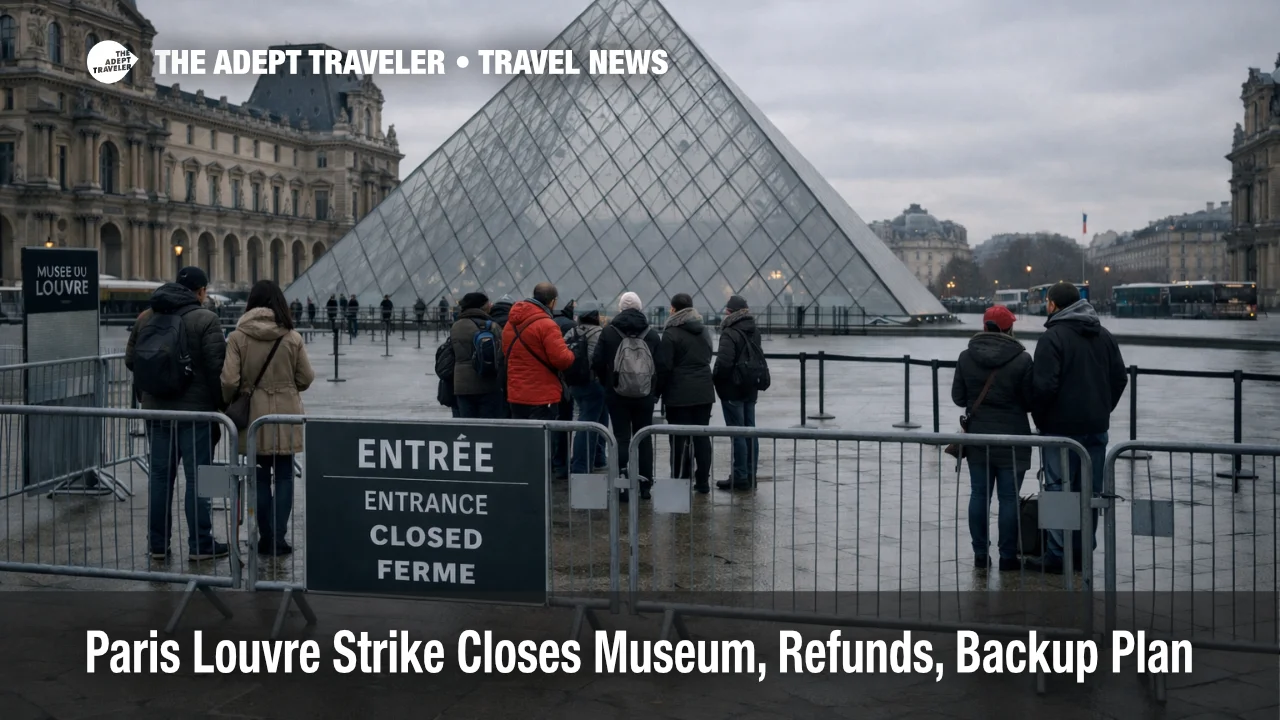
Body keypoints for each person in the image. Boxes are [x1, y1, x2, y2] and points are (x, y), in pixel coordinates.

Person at [124, 266, 228, 561]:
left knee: (159, 478)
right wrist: (222, 406)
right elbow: (216, 369)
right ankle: (201, 544)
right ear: (200, 291)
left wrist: (158, 386)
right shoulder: (206, 319)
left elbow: (132, 360)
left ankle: (157, 545)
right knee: (199, 479)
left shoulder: (146, 318)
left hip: (157, 411)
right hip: (196, 415)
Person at [1027, 282, 1128, 574]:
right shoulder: (1104, 335)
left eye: (1047, 302)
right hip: (1095, 427)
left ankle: (1059, 554)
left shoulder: (1052, 337)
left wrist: (1041, 419)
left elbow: (1044, 387)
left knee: (1059, 490)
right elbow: (1119, 378)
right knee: (1091, 491)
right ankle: (1084, 548)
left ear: (1054, 305)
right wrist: (1102, 409)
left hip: (1059, 428)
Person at [220, 280, 315, 556]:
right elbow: (306, 378)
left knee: (259, 478)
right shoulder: (292, 336)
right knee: (285, 475)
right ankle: (279, 537)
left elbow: (228, 380)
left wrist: (235, 398)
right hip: (286, 415)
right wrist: (288, 389)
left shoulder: (238, 336)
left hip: (253, 416)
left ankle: (265, 536)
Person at [951, 306, 1034, 572]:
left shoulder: (966, 356)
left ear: (985, 327)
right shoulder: (1022, 359)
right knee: (1009, 498)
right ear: (1009, 328)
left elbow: (958, 397)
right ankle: (1008, 557)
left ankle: (979, 554)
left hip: (978, 438)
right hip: (1014, 439)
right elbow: (1030, 401)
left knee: (979, 495)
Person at [502, 283, 576, 475]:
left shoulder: (511, 324)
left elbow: (505, 352)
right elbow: (561, 359)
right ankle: (538, 484)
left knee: (522, 443)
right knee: (542, 446)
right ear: (552, 302)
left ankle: (522, 479)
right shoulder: (546, 324)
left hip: (516, 393)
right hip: (542, 396)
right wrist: (572, 354)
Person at [593, 292, 660, 501]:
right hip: (645, 395)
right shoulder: (652, 334)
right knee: (644, 439)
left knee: (621, 438)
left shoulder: (609, 332)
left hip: (617, 394)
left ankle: (622, 485)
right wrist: (655, 393)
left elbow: (596, 361)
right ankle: (646, 486)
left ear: (620, 308)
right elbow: (663, 366)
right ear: (640, 308)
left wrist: (608, 384)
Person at [655, 293, 714, 494]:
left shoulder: (671, 333)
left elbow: (664, 366)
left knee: (679, 439)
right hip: (704, 391)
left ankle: (681, 479)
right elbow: (707, 356)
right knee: (702, 437)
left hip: (679, 393)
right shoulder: (704, 330)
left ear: (673, 309)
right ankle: (703, 481)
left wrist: (657, 392)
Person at [713, 295, 768, 491]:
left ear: (730, 312)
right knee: (750, 431)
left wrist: (717, 379)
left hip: (733, 388)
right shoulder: (754, 330)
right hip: (750, 387)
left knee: (737, 433)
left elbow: (724, 363)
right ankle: (750, 474)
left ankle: (740, 475)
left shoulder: (729, 332)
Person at [565, 309, 608, 474]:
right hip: (594, 383)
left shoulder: (571, 331)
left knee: (596, 417)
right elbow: (600, 359)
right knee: (587, 423)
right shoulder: (599, 332)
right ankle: (580, 466)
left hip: (574, 383)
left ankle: (598, 458)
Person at [451, 292, 505, 419]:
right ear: (481, 306)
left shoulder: (456, 326)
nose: (490, 305)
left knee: (468, 427)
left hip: (461, 384)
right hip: (487, 383)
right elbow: (502, 353)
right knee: (488, 427)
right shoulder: (491, 326)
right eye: (488, 303)